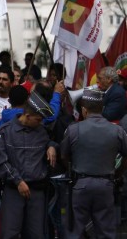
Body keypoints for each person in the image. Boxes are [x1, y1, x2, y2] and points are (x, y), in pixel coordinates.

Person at [61, 88, 127, 238]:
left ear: (84, 110)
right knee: (105, 231)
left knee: (75, 230)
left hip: (80, 183)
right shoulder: (117, 131)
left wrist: (73, 170)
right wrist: (118, 173)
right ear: (102, 109)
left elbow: (64, 156)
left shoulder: (73, 129)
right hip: (106, 184)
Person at [0, 91, 57, 238]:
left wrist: (52, 146)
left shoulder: (42, 132)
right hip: (14, 189)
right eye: (38, 119)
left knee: (36, 234)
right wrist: (18, 181)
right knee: (10, 233)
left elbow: (51, 141)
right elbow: (0, 162)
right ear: (27, 116)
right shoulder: (5, 132)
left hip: (36, 191)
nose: (40, 123)